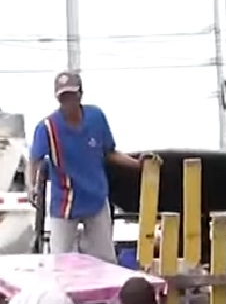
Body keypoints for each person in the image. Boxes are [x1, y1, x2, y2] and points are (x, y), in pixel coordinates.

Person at [27, 71, 150, 262]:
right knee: (59, 260)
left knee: (106, 259)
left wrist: (137, 165)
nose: (67, 102)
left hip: (96, 198)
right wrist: (31, 187)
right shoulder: (47, 127)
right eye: (63, 98)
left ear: (80, 95)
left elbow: (110, 152)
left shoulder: (96, 117)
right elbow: (34, 160)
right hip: (64, 203)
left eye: (71, 96)